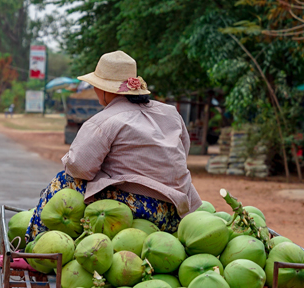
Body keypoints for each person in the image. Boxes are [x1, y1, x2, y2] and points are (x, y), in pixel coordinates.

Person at [26, 51, 202, 241]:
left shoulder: (105, 120)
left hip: (138, 209)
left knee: (63, 180)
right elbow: (182, 152)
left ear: (105, 90)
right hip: (177, 212)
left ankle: (32, 244)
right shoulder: (170, 113)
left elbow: (80, 169)